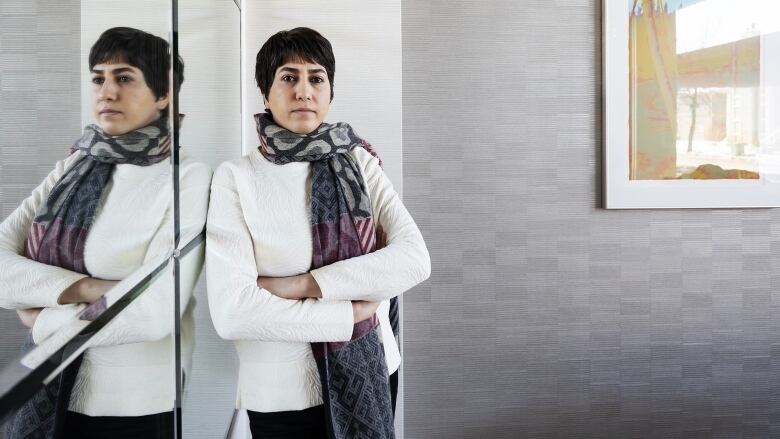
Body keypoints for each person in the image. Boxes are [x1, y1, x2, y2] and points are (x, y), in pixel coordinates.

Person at [207, 27, 431, 439]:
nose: (304, 91)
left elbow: (414, 259)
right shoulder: (235, 178)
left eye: (316, 78)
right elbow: (233, 311)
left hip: (374, 368)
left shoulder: (359, 161)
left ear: (329, 90)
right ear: (265, 91)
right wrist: (347, 313)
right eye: (288, 77)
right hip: (283, 394)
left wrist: (301, 285)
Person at [0, 27, 211, 439]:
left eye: (124, 77)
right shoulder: (73, 165)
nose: (106, 92)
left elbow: (155, 313)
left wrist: (41, 315)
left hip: (132, 404)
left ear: (164, 94)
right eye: (99, 78)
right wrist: (87, 288)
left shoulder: (187, 177)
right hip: (44, 385)